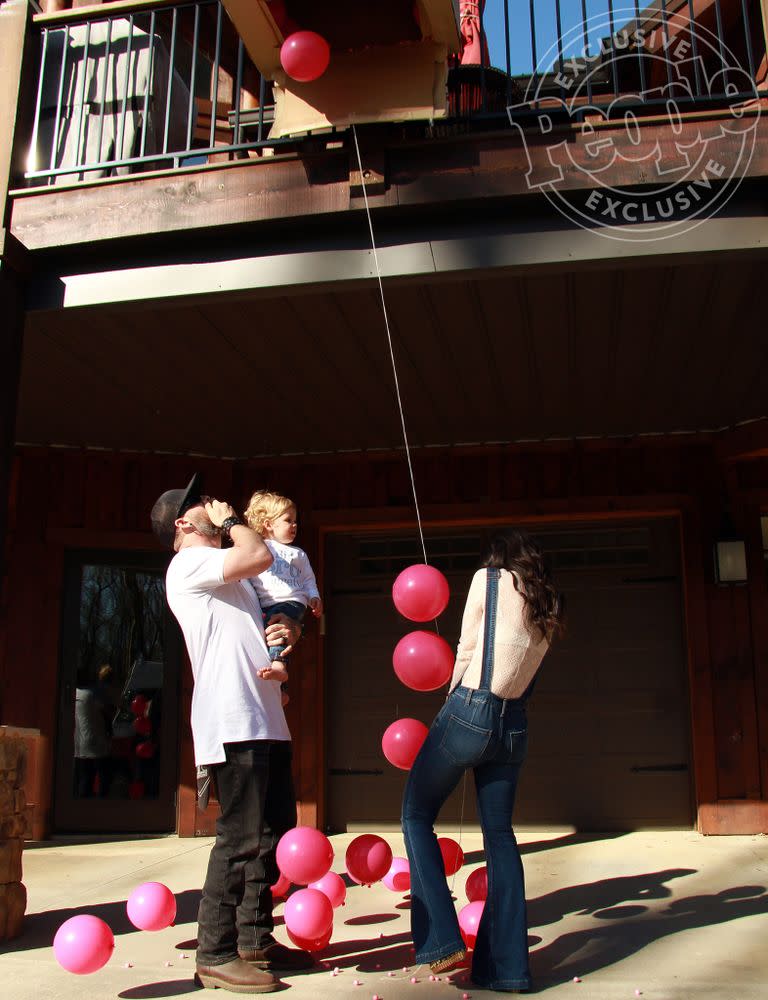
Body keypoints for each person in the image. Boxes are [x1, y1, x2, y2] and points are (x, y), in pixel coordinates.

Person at [151, 474, 312, 994]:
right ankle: (215, 952)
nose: (213, 506)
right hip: (232, 719)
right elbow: (260, 555)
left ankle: (255, 940)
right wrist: (231, 521)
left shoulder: (231, 576)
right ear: (183, 523)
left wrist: (290, 635)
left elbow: (275, 611)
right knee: (240, 838)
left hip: (265, 716)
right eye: (202, 505)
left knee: (272, 834)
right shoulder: (190, 563)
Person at [401, 529, 565, 993]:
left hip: (471, 708)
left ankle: (442, 941)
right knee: (499, 835)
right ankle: (507, 969)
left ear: (497, 556)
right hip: (515, 722)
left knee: (415, 815)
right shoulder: (546, 600)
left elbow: (468, 648)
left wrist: (448, 706)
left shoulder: (489, 580)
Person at [243, 490, 322, 692]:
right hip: (266, 603)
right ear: (269, 524)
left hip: (291, 600)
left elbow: (308, 579)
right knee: (264, 636)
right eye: (288, 520)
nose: (294, 525)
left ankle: (279, 666)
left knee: (277, 627)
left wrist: (314, 596)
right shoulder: (259, 549)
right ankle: (281, 689)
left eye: (295, 521)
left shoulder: (297, 553)